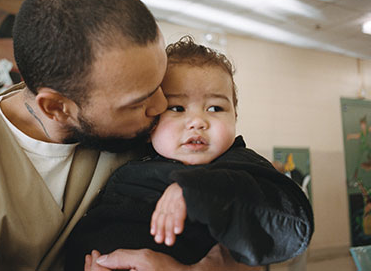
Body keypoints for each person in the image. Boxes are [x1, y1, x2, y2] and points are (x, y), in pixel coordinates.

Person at [0, 0, 255, 271]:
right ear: (57, 107)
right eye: (138, 100)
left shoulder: (154, 134)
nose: (160, 107)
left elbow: (261, 209)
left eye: (161, 86)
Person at [65, 36, 314, 271]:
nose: (197, 121)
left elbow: (293, 224)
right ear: (151, 118)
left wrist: (200, 190)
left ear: (235, 116)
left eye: (215, 108)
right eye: (177, 108)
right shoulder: (131, 163)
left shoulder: (242, 166)